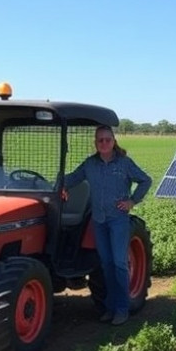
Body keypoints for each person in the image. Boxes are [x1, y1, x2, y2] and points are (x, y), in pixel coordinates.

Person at [64, 125, 152, 325]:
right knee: (106, 265)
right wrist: (59, 185)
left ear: (114, 142)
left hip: (118, 220)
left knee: (120, 264)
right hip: (99, 221)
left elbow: (145, 180)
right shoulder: (90, 164)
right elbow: (73, 178)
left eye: (107, 139)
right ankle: (109, 308)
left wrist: (132, 201)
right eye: (100, 140)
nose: (104, 143)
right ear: (95, 143)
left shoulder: (124, 163)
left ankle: (122, 309)